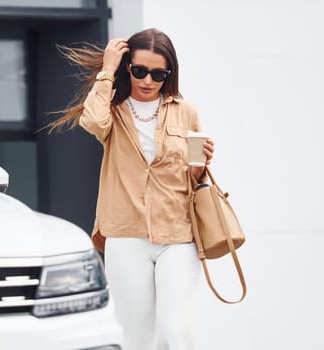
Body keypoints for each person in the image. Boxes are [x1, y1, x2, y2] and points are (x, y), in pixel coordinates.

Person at [49, 28, 215, 350]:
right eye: (140, 71)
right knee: (137, 338)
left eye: (158, 74)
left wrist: (199, 168)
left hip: (178, 235)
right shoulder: (111, 108)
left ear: (169, 74)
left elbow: (192, 180)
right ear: (128, 67)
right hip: (126, 234)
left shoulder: (186, 112)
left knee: (176, 332)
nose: (148, 80)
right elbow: (92, 122)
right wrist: (107, 71)